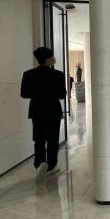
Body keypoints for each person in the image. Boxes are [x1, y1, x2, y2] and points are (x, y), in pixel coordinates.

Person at [21, 47, 67, 179]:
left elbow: (24, 94)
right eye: (52, 56)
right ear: (47, 59)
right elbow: (62, 95)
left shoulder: (28, 74)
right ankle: (51, 165)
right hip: (53, 111)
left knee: (39, 139)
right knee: (53, 139)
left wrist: (38, 92)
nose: (53, 58)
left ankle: (39, 164)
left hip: (37, 110)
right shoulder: (58, 74)